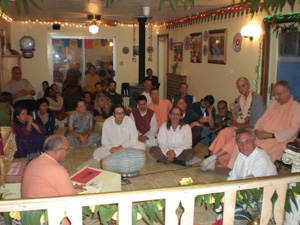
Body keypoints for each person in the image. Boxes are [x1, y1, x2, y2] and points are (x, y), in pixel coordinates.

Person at [200, 77, 267, 171]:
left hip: (253, 129)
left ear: (248, 85)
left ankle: (212, 158)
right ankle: (214, 161)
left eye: (243, 86)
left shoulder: (257, 99)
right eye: (239, 87)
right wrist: (232, 111)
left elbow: (255, 124)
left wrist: (239, 125)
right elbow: (234, 122)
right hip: (240, 127)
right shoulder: (238, 99)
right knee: (223, 132)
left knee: (237, 138)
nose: (241, 89)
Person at [21, 135, 86, 224]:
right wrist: (76, 191)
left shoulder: (33, 162)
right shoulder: (57, 169)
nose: (68, 153)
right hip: (43, 215)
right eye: (66, 150)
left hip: (27, 212)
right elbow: (70, 197)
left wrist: (72, 188)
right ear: (57, 151)